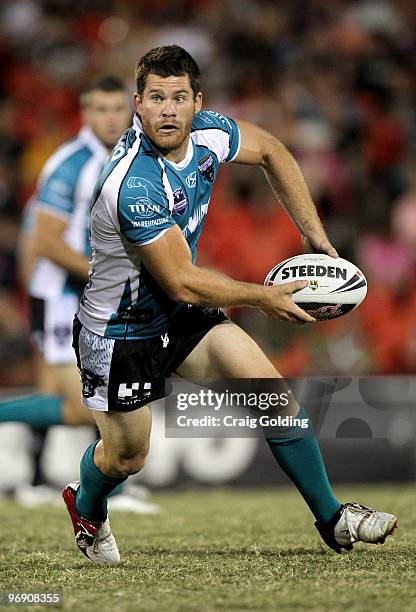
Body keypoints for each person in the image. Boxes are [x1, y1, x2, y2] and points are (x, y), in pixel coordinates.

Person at [62, 46, 397, 565]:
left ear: (198, 101)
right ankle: (85, 505)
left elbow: (273, 152)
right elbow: (181, 282)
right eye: (156, 98)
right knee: (127, 457)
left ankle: (333, 519)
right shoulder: (133, 183)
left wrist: (313, 234)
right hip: (121, 331)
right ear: (138, 105)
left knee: (270, 396)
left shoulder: (211, 133)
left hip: (180, 317)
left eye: (178, 98)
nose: (168, 110)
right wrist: (263, 297)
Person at [1, 76, 158, 513]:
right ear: (85, 113)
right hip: (59, 295)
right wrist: (102, 273)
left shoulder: (127, 156)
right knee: (80, 406)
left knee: (82, 396)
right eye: (100, 109)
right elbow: (47, 241)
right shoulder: (70, 163)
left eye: (117, 109)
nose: (110, 118)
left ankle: (106, 488)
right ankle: (112, 490)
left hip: (87, 295)